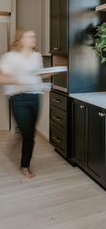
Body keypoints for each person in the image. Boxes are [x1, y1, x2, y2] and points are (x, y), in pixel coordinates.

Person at [0, 29, 52, 178]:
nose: (33, 39)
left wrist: (52, 72)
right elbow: (1, 77)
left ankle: (20, 140)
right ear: (20, 39)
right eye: (29, 37)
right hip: (18, 99)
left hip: (35, 97)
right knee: (28, 135)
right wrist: (18, 81)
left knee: (30, 132)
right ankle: (25, 166)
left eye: (34, 36)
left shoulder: (36, 56)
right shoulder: (10, 57)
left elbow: (40, 75)